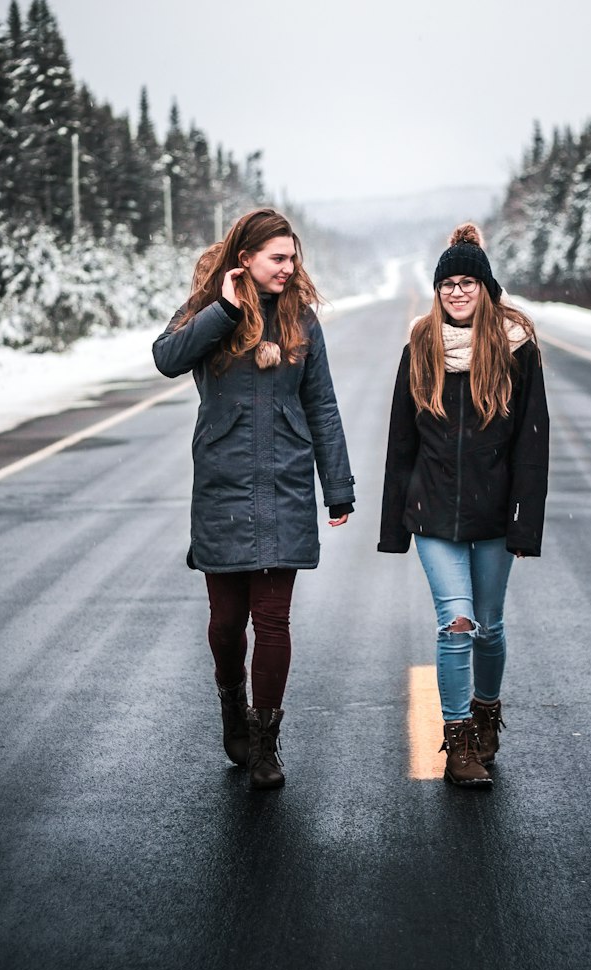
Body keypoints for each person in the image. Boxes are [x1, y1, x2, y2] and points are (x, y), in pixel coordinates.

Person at [153, 208, 355, 790]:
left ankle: (266, 741)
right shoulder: (206, 309)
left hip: (286, 484)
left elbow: (322, 406)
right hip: (222, 486)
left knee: (272, 620)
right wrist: (224, 310)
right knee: (225, 624)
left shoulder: (301, 321)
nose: (290, 269)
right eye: (278, 258)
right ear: (245, 259)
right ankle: (230, 705)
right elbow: (166, 358)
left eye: (294, 258)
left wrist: (337, 487)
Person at [378, 224, 549, 787]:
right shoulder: (419, 347)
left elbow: (532, 441)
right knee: (458, 623)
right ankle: (458, 743)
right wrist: (393, 525)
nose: (456, 292)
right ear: (437, 291)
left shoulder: (518, 351)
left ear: (485, 289)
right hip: (433, 510)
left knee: (490, 628)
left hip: (496, 512)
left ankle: (486, 709)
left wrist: (526, 524)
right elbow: (402, 441)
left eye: (467, 283)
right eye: (448, 283)